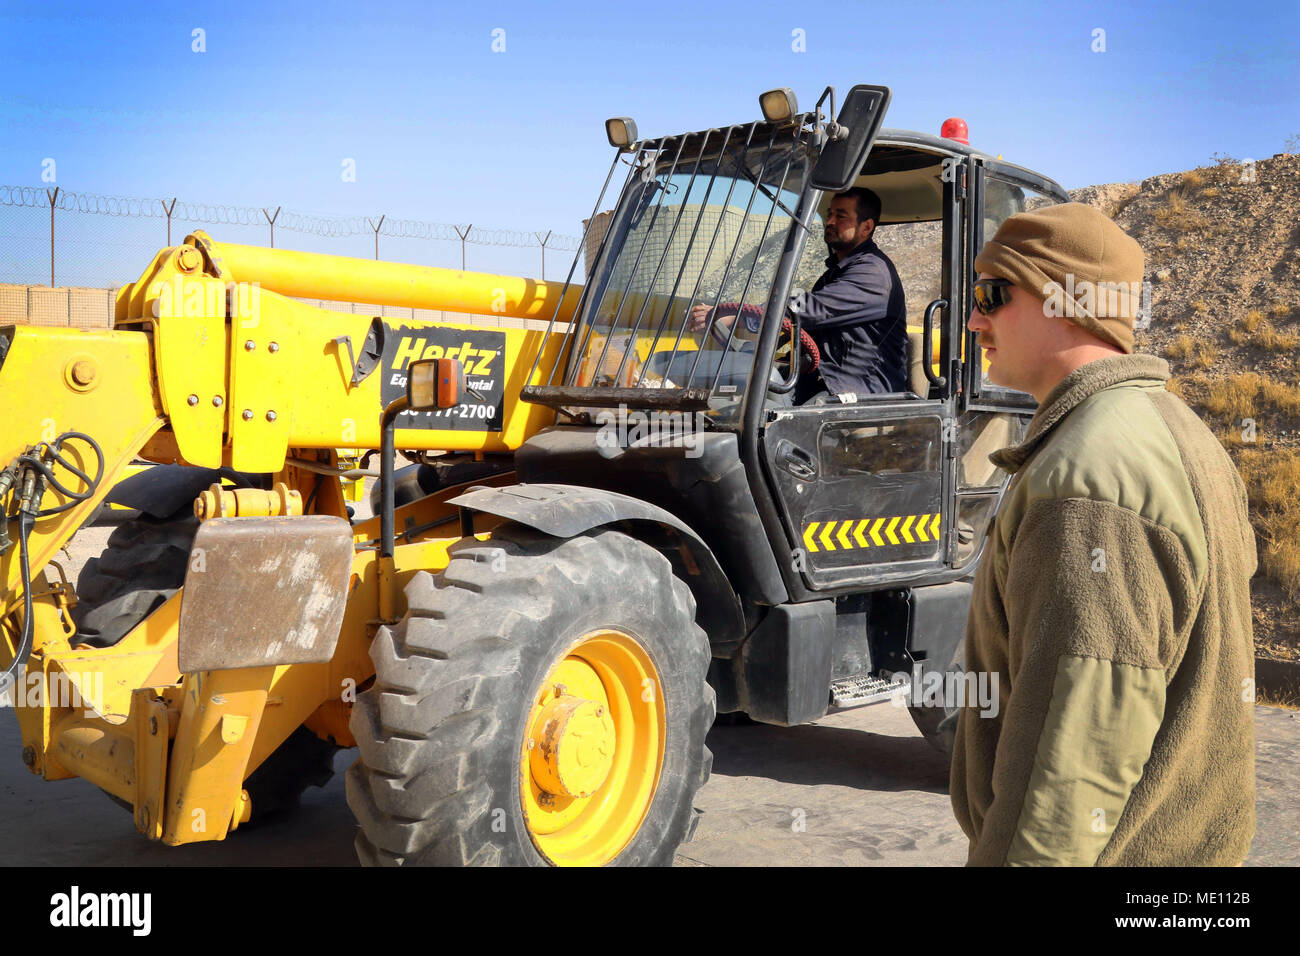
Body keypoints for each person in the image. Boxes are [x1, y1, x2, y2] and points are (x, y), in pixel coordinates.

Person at [950, 202, 1257, 866]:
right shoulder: (1179, 432)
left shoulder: (1087, 480)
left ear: (1067, 301)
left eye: (991, 294)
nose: (974, 318)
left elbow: (1065, 779)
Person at [688, 187, 908, 403]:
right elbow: (800, 314)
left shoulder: (872, 273)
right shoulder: (836, 273)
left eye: (841, 216)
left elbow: (811, 309)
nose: (830, 222)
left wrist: (739, 317)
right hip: (822, 380)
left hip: (857, 390)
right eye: (830, 214)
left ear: (866, 227)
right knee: (729, 399)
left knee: (764, 417)